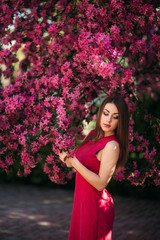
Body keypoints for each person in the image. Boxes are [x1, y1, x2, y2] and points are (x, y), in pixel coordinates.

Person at [59, 94, 129, 240]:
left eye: (115, 117)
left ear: (121, 121)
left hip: (95, 206)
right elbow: (79, 164)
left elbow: (101, 184)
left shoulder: (112, 145)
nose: (108, 120)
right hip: (81, 202)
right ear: (100, 113)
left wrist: (75, 162)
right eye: (106, 113)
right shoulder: (92, 135)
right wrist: (66, 158)